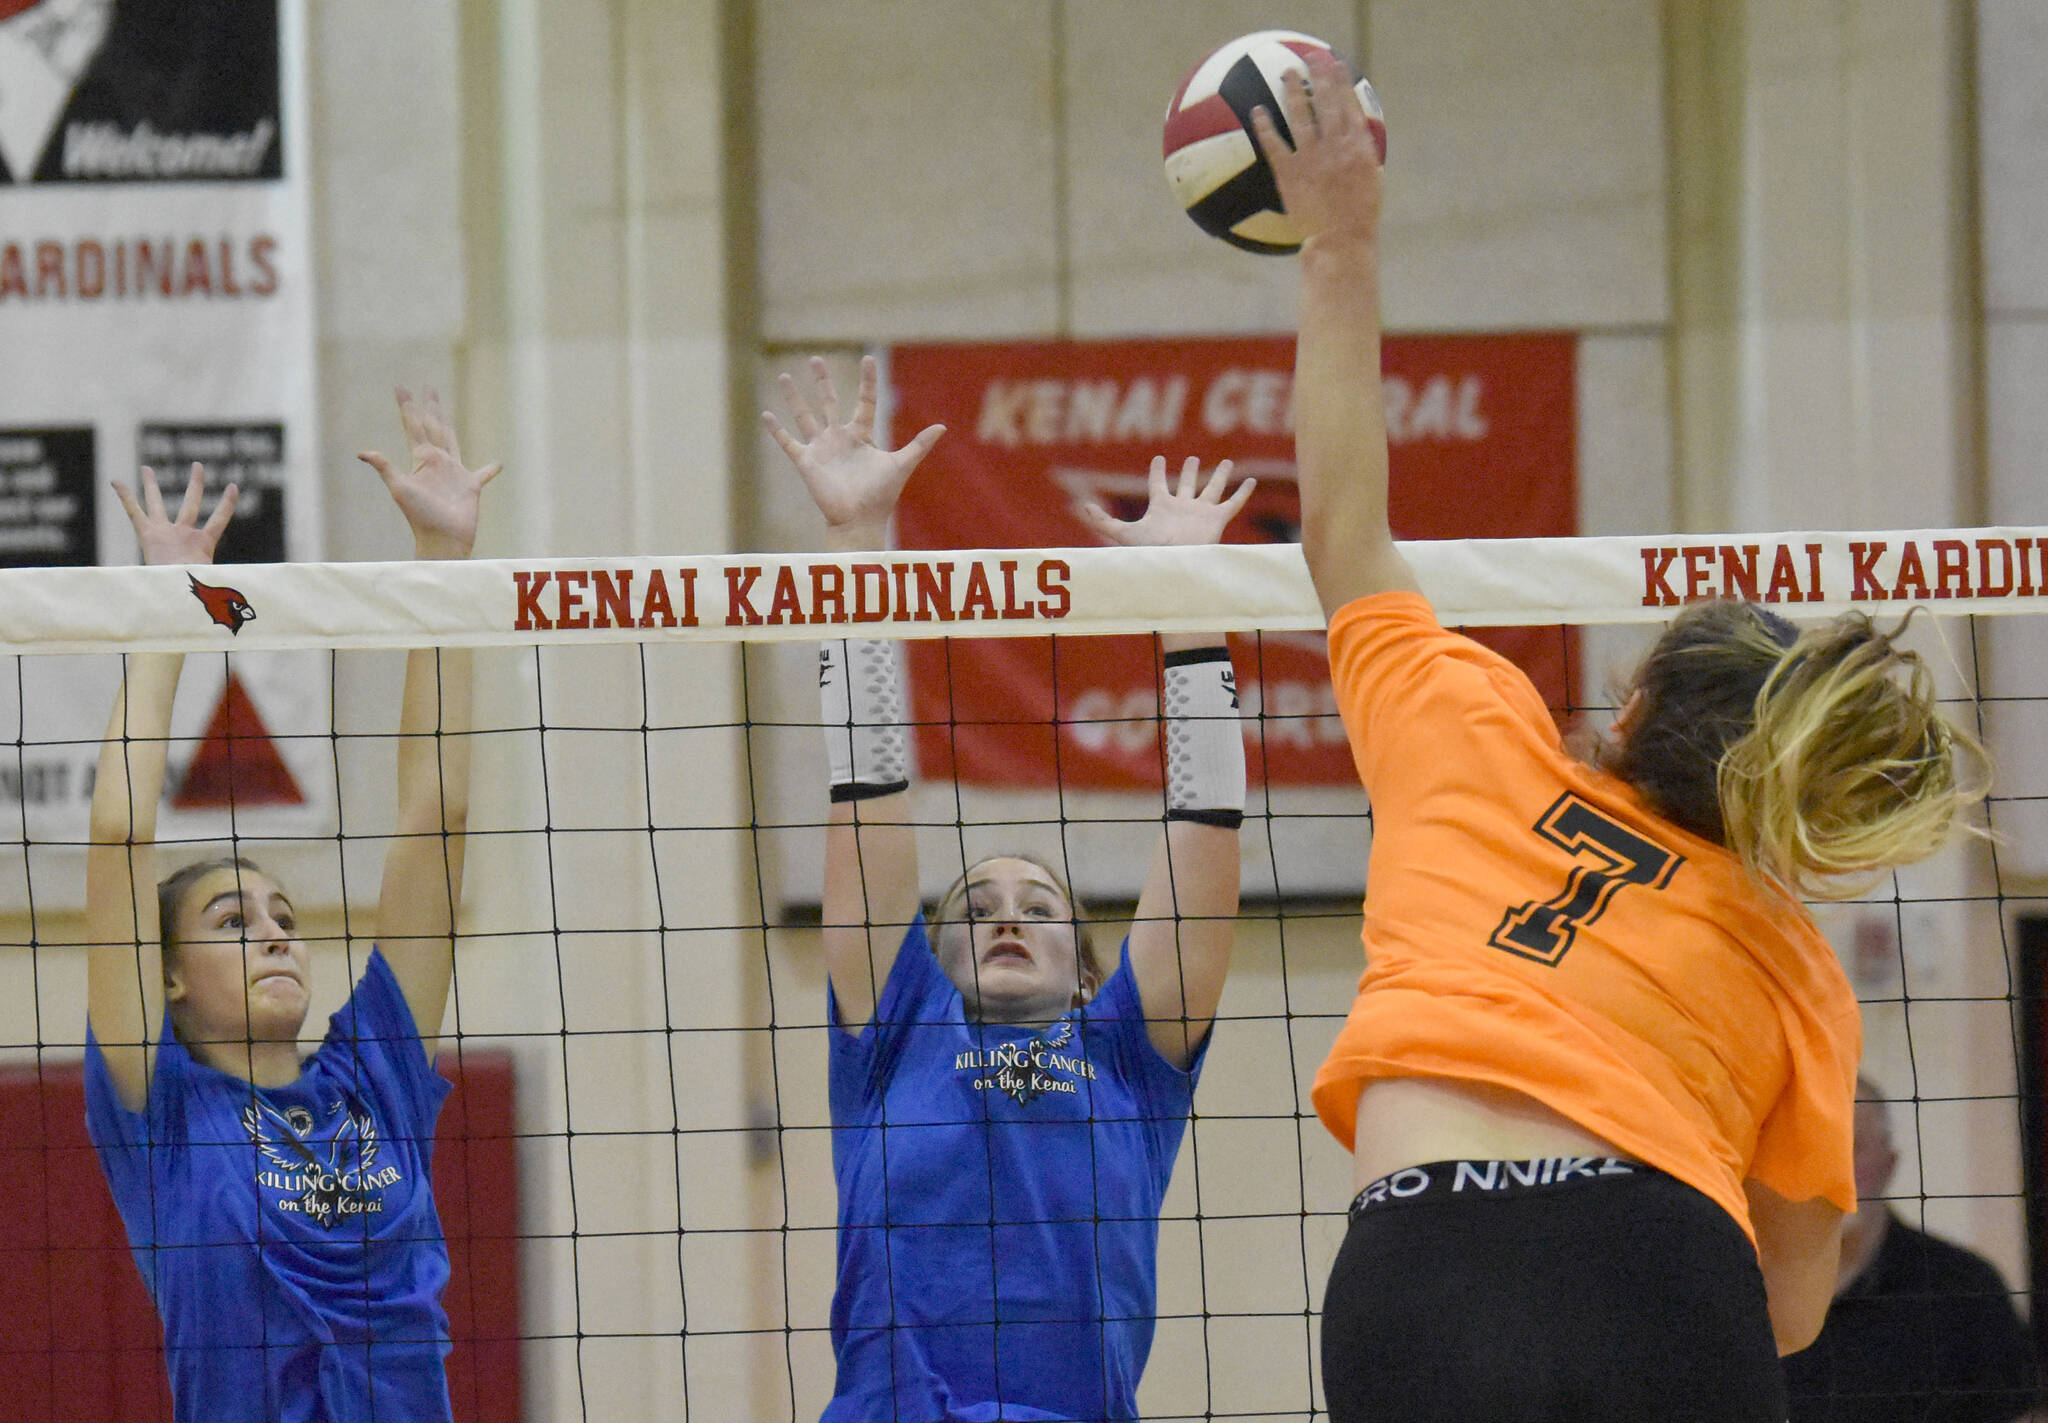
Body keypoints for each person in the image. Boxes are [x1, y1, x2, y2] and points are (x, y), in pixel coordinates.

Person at [1251, 47, 1988, 1423]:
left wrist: (1339, 244)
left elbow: (1341, 527)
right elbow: (1789, 1304)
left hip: (1422, 1263)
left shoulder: (1471, 733)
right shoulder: (1788, 954)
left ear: (1632, 712)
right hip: (1659, 1261)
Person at [764, 356, 1254, 1423]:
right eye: (976, 905)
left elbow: (1205, 837)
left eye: (1039, 906)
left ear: (1087, 969)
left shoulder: (1126, 1053)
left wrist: (1188, 603)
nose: (1005, 913)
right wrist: (858, 545)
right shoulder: (898, 1031)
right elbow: (866, 796)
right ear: (928, 961)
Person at [82, 387, 499, 1422]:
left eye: (283, 918)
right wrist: (168, 605)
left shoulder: (375, 1081)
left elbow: (437, 812)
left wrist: (443, 569)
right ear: (167, 975)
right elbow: (120, 833)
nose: (274, 933)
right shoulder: (163, 1108)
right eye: (234, 923)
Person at [1782, 1078, 2040, 1422]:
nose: (1830, 1171)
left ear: (1889, 1164)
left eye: (1849, 1147)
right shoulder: (1748, 1290)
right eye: (1812, 1150)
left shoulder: (1964, 1289)